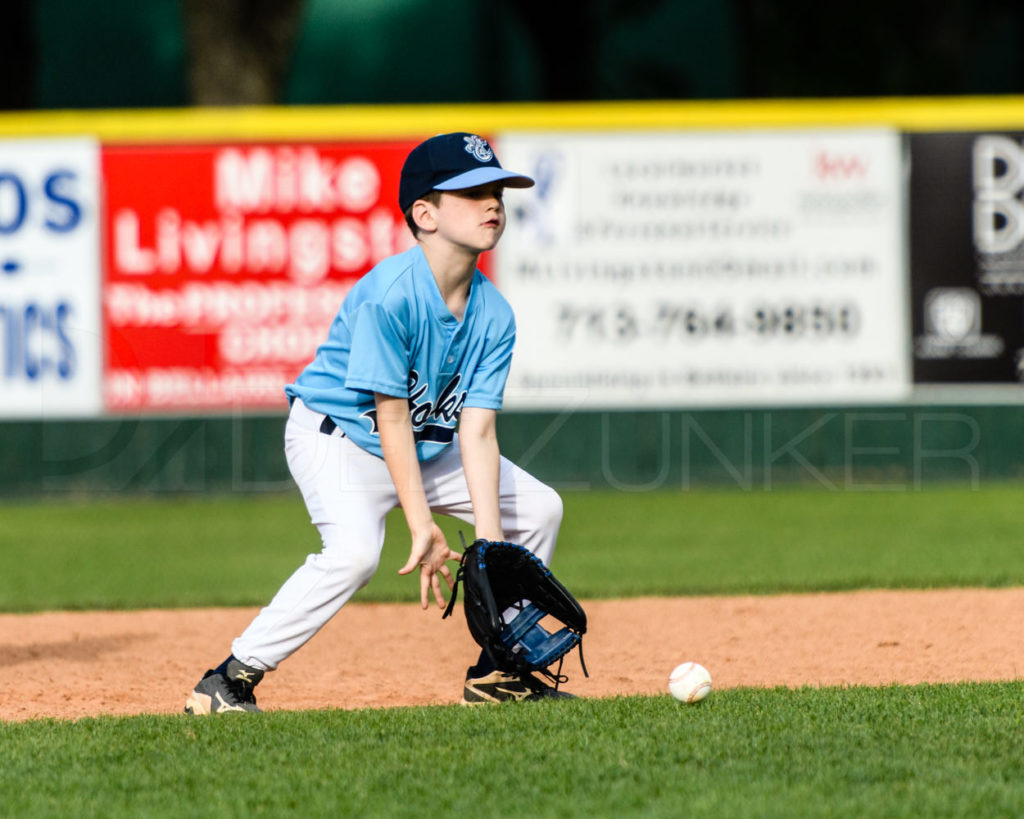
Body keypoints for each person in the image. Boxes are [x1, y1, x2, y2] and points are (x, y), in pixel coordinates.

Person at [184, 132, 571, 713]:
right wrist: (421, 523)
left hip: (425, 447)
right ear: (425, 213)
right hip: (339, 438)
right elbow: (389, 417)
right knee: (357, 553)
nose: (492, 202)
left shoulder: (495, 314)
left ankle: (497, 674)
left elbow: (478, 430)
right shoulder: (390, 296)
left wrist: (489, 546)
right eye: (471, 192)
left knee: (539, 510)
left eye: (497, 190)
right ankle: (230, 679)